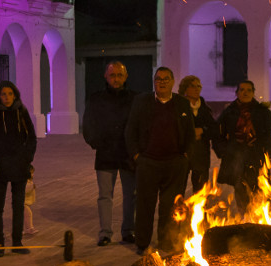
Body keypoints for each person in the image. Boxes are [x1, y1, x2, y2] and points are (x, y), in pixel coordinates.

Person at [126, 66, 195, 253]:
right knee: (144, 205)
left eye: (166, 79)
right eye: (158, 79)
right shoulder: (142, 102)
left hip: (174, 163)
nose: (162, 82)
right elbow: (130, 130)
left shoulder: (181, 103)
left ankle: (166, 242)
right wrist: (137, 156)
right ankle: (142, 243)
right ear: (154, 82)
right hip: (148, 162)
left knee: (169, 206)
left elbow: (190, 132)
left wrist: (186, 156)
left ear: (172, 82)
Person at [82, 61, 137, 246]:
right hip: (105, 154)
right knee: (105, 195)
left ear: (126, 77)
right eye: (113, 75)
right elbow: (88, 123)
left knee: (131, 195)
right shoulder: (97, 99)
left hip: (128, 154)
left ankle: (128, 231)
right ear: (106, 76)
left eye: (120, 75)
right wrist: (96, 142)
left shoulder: (135, 99)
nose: (116, 79)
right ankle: (105, 233)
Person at [0, 81, 37, 255]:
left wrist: (27, 158)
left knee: (18, 205)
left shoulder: (21, 111)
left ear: (15, 95)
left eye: (10, 94)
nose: (6, 98)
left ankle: (16, 242)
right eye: (3, 94)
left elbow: (31, 137)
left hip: (19, 166)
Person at [214, 80, 271, 208]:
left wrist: (268, 152)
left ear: (253, 93)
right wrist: (224, 152)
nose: (245, 93)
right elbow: (217, 134)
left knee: (260, 189)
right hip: (236, 157)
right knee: (240, 188)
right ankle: (244, 217)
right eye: (242, 90)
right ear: (237, 93)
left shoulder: (263, 112)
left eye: (249, 90)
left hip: (257, 156)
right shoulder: (229, 112)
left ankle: (260, 217)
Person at [178, 75, 216, 194]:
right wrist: (190, 133)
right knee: (178, 190)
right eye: (193, 86)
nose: (196, 89)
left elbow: (213, 129)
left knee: (200, 191)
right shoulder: (178, 106)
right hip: (181, 154)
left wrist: (202, 131)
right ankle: (177, 212)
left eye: (198, 86)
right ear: (185, 88)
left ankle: (199, 212)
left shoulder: (205, 109)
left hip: (200, 155)